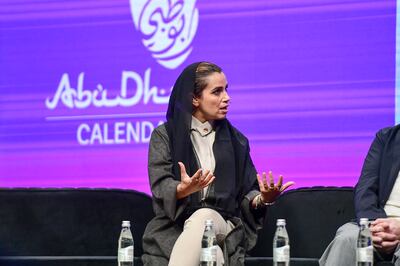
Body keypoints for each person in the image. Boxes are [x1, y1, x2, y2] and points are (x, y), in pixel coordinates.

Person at [141, 62, 294, 266]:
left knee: (205, 217)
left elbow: (248, 193)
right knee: (213, 256)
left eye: (226, 90)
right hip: (173, 228)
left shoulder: (237, 141)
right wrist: (182, 189)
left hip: (223, 225)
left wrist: (262, 199)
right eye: (217, 92)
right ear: (194, 98)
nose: (227, 98)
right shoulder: (165, 136)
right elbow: (160, 185)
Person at [320, 125, 400, 266]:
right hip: (375, 222)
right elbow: (365, 188)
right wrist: (376, 226)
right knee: (346, 239)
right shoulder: (387, 137)